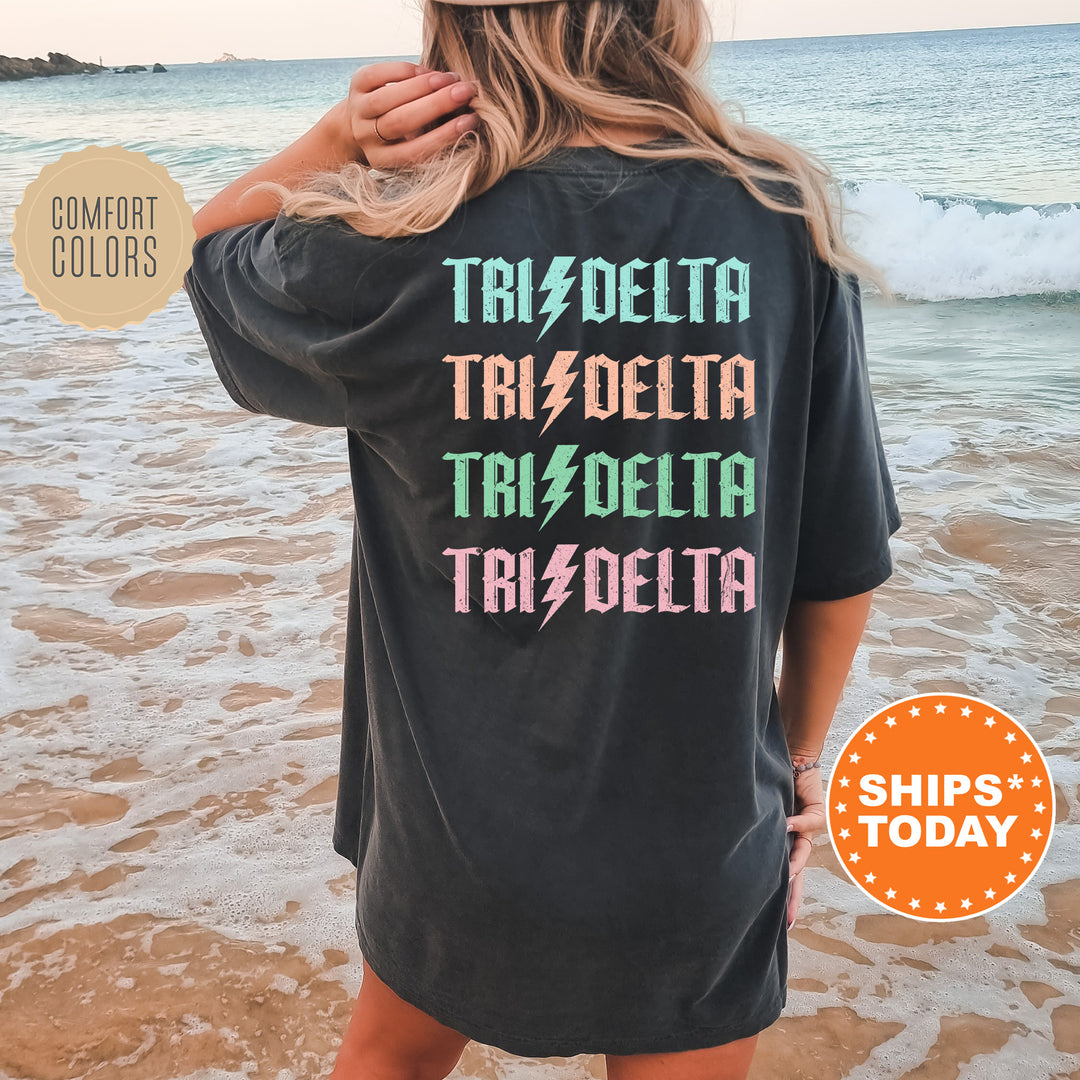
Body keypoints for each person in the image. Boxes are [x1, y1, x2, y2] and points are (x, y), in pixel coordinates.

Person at [182, 0, 903, 1077]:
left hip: (453, 836)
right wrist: (801, 764)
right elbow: (842, 561)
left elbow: (202, 252)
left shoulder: (393, 237)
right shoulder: (779, 219)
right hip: (698, 833)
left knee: (387, 1058)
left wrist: (338, 142)